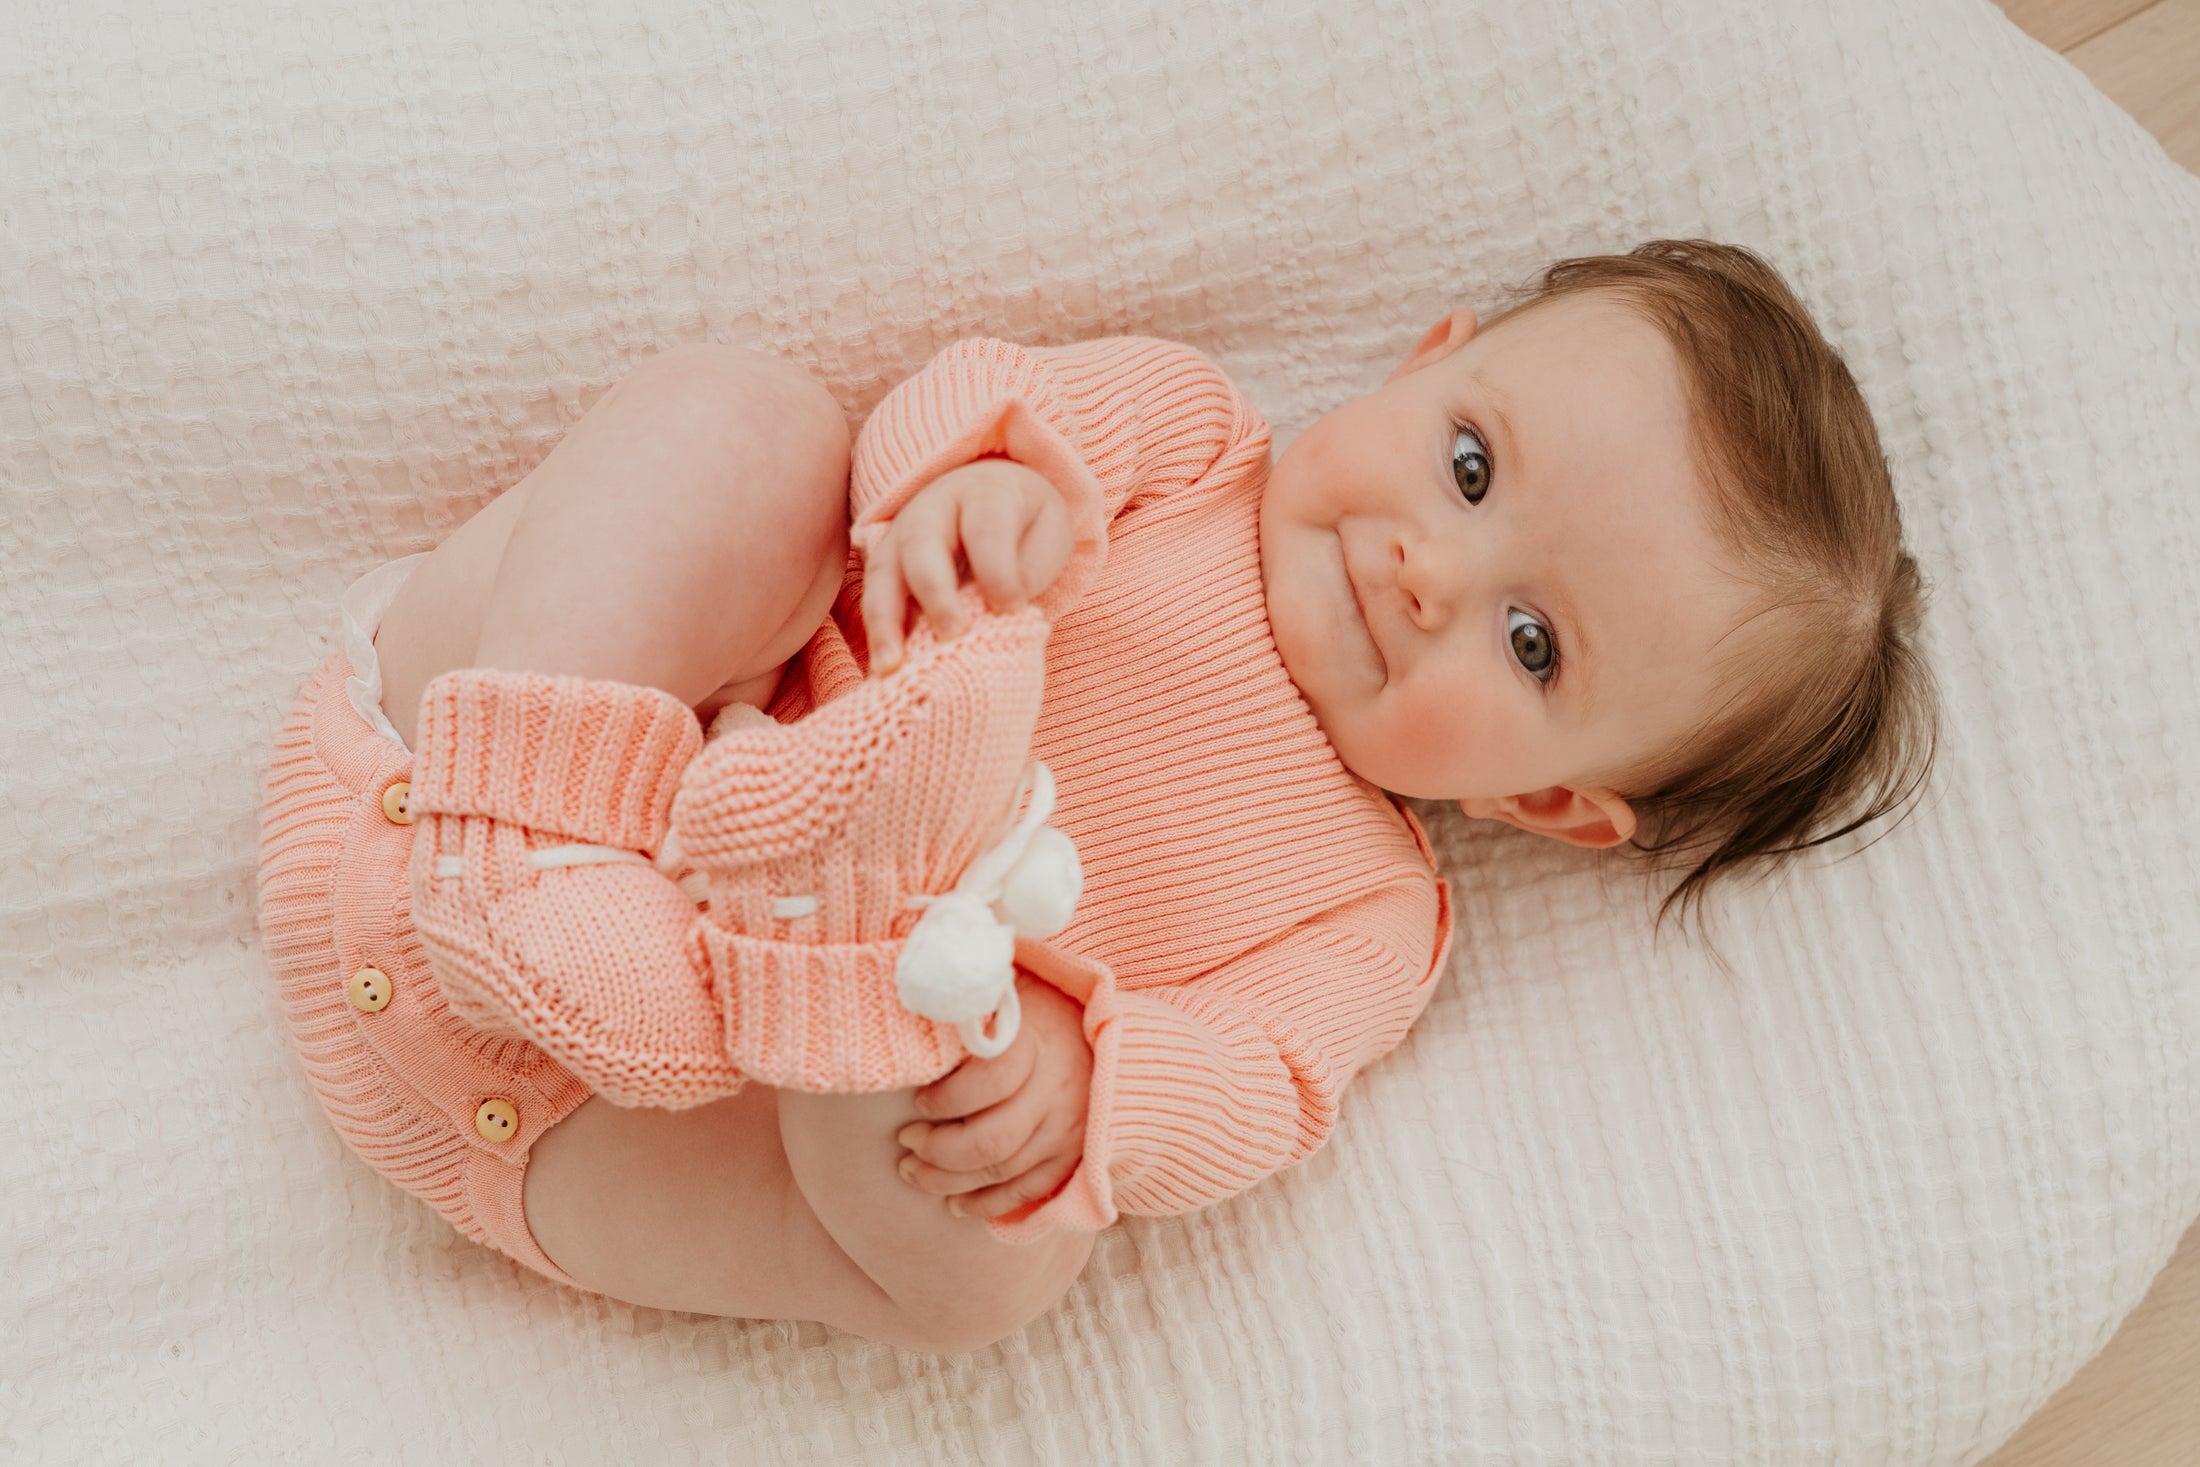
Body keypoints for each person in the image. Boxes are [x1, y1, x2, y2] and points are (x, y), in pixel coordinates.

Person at [256, 239, 1937, 1355]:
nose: (1432, 566)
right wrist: (963, 492)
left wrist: (1090, 1090)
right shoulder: (1192, 441)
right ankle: (532, 825)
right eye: (1471, 465)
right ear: (1431, 356)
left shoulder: (1375, 915)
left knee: (1008, 1268)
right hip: (450, 776)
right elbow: (975, 395)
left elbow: (1263, 1082)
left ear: (1557, 805)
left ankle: (819, 962)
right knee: (751, 428)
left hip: (607, 1122)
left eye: (1533, 640)